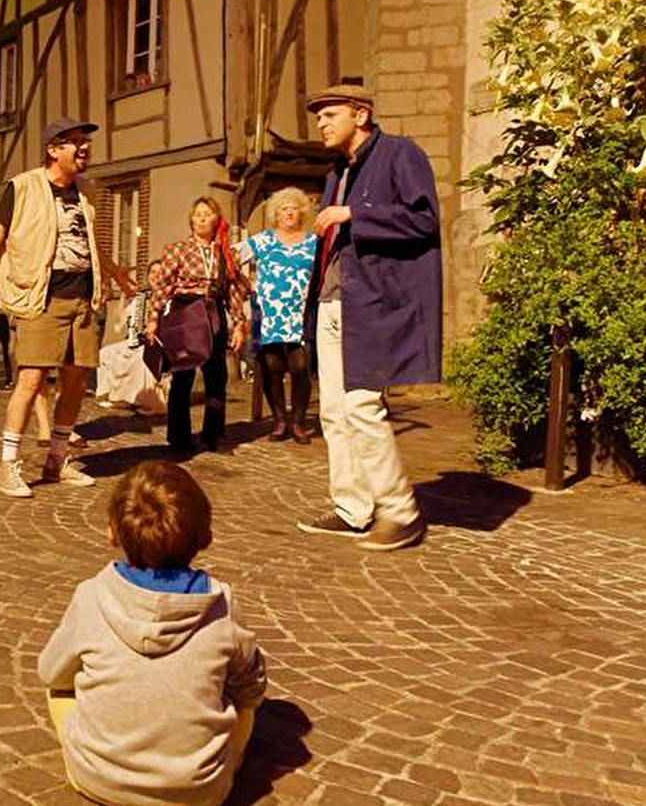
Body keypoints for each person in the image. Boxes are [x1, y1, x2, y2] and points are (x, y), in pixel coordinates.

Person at [39, 460, 265, 806]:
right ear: (205, 536)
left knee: (58, 691)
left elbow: (50, 672)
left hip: (98, 781)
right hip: (200, 793)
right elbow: (251, 689)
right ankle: (217, 764)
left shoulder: (90, 595)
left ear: (112, 531)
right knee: (243, 705)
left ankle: (100, 758)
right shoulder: (221, 603)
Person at [0, 117, 134, 498]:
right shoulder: (24, 186)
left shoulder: (86, 191)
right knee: (31, 380)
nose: (84, 147)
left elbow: (90, 242)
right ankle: (7, 466)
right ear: (52, 149)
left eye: (85, 142)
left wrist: (114, 273)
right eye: (74, 142)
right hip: (40, 297)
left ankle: (56, 460)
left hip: (82, 299)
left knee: (77, 380)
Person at [295, 84, 440, 551]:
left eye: (329, 114)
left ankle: (400, 512)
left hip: (374, 303)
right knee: (335, 412)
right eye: (318, 116)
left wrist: (354, 213)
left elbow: (423, 220)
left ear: (360, 115)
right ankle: (353, 508)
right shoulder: (338, 171)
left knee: (361, 405)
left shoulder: (400, 154)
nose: (321, 123)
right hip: (335, 301)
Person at [147, 198, 248, 453]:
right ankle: (178, 438)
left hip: (213, 310)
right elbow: (163, 286)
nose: (202, 218)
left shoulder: (226, 253)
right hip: (186, 311)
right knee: (183, 375)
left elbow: (234, 290)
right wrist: (153, 318)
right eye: (198, 214)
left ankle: (213, 436)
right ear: (191, 220)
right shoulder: (178, 250)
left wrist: (238, 325)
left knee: (217, 375)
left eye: (208, 214)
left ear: (216, 219)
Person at [239, 188, 318, 442]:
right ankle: (279, 421)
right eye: (284, 208)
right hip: (270, 316)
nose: (289, 212)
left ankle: (298, 421)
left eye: (294, 208)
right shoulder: (264, 240)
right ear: (276, 214)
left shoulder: (312, 242)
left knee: (300, 366)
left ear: (301, 212)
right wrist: (244, 285)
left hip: (300, 315)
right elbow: (231, 257)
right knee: (271, 367)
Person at [97, 259, 165, 413]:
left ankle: (148, 403)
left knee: (143, 356)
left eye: (160, 273)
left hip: (159, 343)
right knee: (105, 353)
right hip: (136, 341)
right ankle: (116, 397)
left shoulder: (168, 297)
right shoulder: (141, 297)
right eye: (152, 272)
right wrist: (123, 292)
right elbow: (120, 323)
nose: (155, 276)